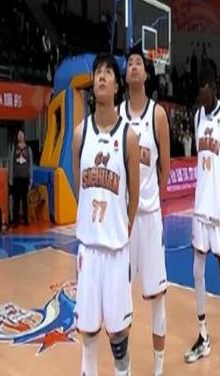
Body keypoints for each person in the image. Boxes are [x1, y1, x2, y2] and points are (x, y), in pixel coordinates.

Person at [72, 53, 140, 376]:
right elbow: (79, 187)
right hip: (88, 250)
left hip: (115, 251)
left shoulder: (129, 136)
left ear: (116, 86)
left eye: (108, 72)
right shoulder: (79, 134)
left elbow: (134, 195)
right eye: (98, 71)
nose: (101, 76)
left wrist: (123, 227)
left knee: (119, 337)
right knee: (87, 335)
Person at [184, 59, 220, 375]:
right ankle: (203, 336)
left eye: (203, 87)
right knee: (197, 271)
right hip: (199, 208)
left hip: (218, 212)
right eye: (198, 88)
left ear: (213, 87)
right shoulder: (196, 117)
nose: (200, 94)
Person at [120, 46, 170, 376]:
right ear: (126, 75)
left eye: (139, 63)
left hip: (150, 218)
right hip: (124, 221)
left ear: (147, 73)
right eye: (130, 63)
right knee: (120, 298)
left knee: (157, 298)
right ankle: (123, 368)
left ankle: (158, 369)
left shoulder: (158, 115)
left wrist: (151, 198)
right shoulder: (116, 115)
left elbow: (165, 168)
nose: (134, 67)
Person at [8, 130, 33, 226]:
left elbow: (30, 165)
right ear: (17, 137)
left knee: (24, 200)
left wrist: (31, 179)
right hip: (16, 178)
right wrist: (10, 179)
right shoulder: (14, 148)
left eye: (22, 134)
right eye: (19, 134)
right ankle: (15, 220)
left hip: (25, 178)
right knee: (16, 200)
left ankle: (26, 220)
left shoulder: (28, 148)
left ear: (24, 136)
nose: (20, 136)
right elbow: (11, 163)